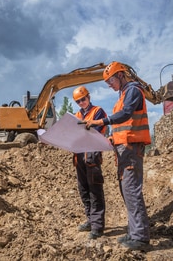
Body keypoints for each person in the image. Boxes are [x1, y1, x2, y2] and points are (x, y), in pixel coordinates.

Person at [85, 61, 151, 250]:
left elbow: (126, 114)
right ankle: (133, 232)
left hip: (131, 149)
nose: (109, 84)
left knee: (131, 190)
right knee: (126, 191)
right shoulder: (123, 95)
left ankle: (140, 237)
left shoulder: (133, 90)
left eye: (111, 80)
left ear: (121, 75)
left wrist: (102, 120)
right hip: (123, 150)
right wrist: (111, 139)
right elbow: (123, 125)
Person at [72, 86, 107, 240]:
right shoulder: (77, 115)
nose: (81, 102)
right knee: (84, 190)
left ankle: (98, 226)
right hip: (79, 156)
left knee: (95, 191)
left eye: (83, 99)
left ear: (88, 97)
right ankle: (90, 220)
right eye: (78, 101)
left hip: (91, 156)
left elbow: (96, 132)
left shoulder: (98, 111)